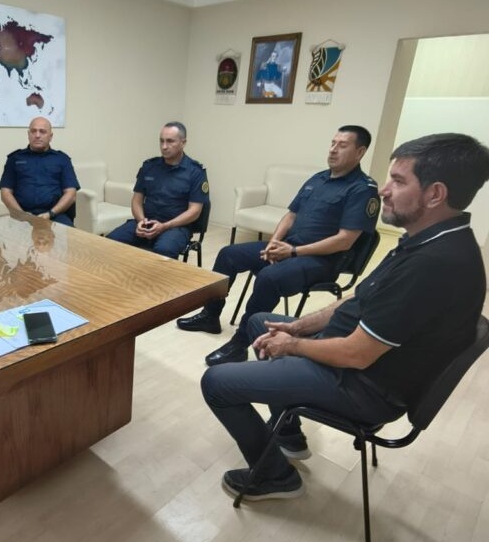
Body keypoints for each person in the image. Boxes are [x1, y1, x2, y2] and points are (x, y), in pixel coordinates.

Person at [200, 133, 489, 502]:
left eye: (398, 181)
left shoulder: (435, 264)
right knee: (262, 322)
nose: (384, 190)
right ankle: (288, 433)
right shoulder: (427, 239)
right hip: (353, 361)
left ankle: (274, 476)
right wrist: (295, 327)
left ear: (435, 194)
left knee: (216, 383)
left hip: (363, 386)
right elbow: (357, 298)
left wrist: (293, 345)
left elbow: (357, 354)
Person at [178, 125, 379, 366]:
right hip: (290, 248)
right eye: (333, 143)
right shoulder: (318, 179)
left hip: (321, 261)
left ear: (360, 152)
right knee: (228, 254)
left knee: (269, 277)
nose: (333, 150)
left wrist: (293, 251)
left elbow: (345, 240)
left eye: (342, 145)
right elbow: (291, 215)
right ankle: (210, 315)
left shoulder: (362, 190)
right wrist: (275, 242)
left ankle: (241, 343)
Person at [106, 121, 209, 259]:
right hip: (146, 222)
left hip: (175, 226)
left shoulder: (195, 172)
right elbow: (136, 200)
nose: (164, 146)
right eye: (161, 141)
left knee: (163, 251)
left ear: (183, 143)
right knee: (110, 242)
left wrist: (165, 226)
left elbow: (194, 211)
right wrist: (141, 221)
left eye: (170, 141)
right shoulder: (149, 166)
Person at [0, 116, 79, 226]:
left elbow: (71, 193)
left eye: (42, 131)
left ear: (50, 136)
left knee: (70, 235)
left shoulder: (62, 159)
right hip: (21, 214)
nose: (37, 135)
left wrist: (50, 213)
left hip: (55, 215)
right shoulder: (15, 158)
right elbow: (5, 192)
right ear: (28, 134)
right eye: (33, 131)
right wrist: (22, 215)